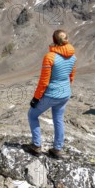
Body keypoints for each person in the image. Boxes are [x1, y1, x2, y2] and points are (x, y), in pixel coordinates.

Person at [24, 29, 77, 159]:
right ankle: (57, 149)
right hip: (65, 94)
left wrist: (36, 98)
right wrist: (64, 89)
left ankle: (36, 145)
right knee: (58, 119)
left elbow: (44, 81)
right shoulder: (73, 57)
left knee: (32, 115)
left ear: (54, 40)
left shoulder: (50, 57)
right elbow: (71, 77)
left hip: (52, 94)